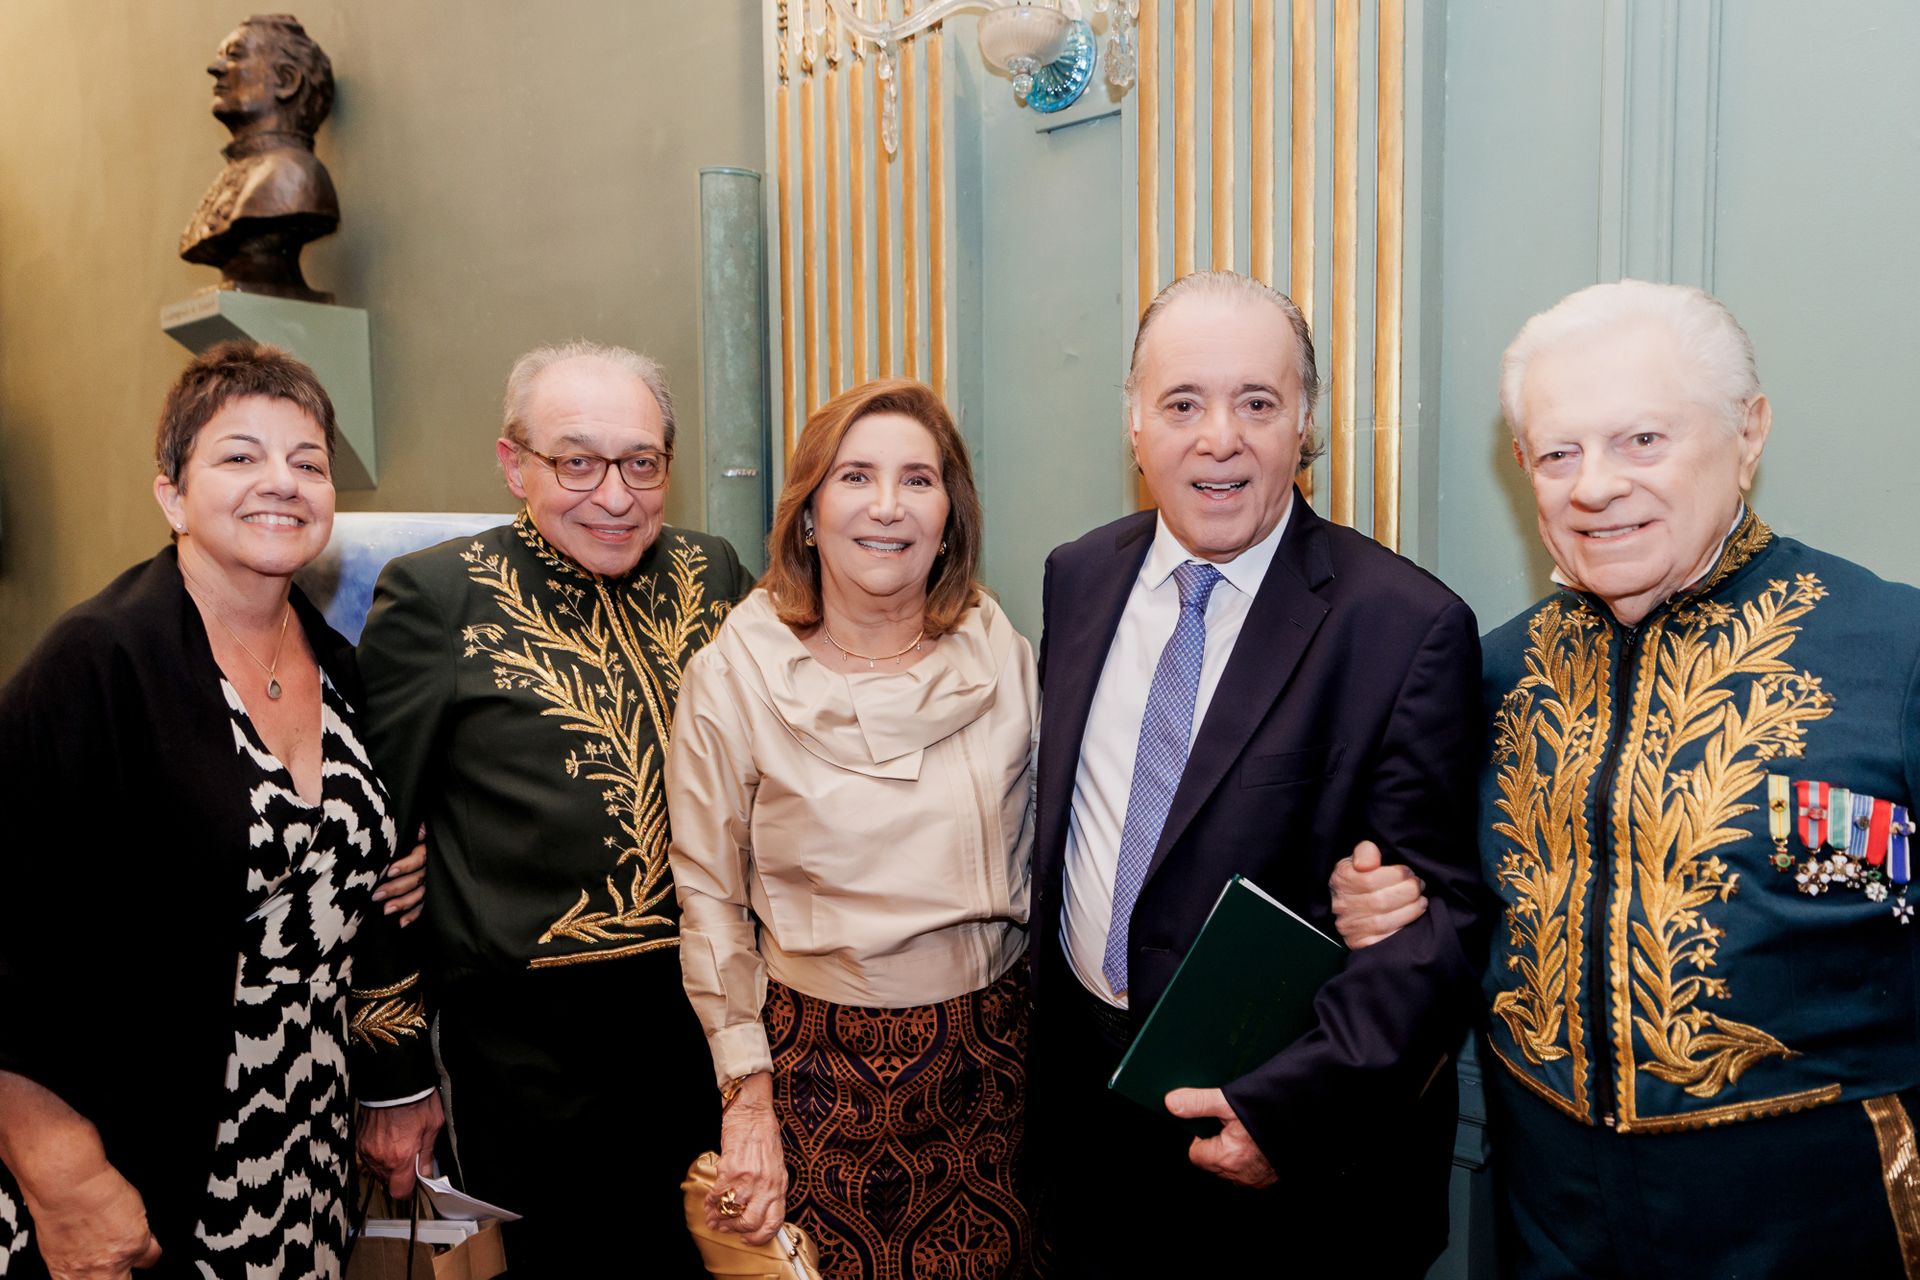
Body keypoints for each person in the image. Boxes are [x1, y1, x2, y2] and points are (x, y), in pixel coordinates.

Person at [1334, 279, 1920, 1276]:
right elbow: (1464, 910)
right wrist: (1389, 909)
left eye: (1641, 440)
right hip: (1545, 1214)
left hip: (1817, 1220)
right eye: (1559, 452)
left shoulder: (1894, 651)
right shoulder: (1489, 672)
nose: (1594, 485)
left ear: (1748, 431)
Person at [1029, 270, 1492, 1276]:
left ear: (1305, 424)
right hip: (1086, 1135)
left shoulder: (1403, 628)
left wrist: (1286, 1114)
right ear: (1136, 423)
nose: (1219, 437)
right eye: (1183, 403)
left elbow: (1435, 935)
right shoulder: (1078, 575)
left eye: (1257, 403)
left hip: (1284, 1177)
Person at [0, 341, 423, 1278]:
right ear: (170, 495)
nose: (282, 481)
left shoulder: (340, 668)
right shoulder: (97, 664)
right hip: (135, 1161)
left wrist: (402, 856)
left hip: (302, 1155)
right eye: (239, 456)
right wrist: (63, 1176)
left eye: (308, 462)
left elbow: (327, 859)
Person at [351, 340, 753, 1274]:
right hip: (531, 1059)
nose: (614, 495)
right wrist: (393, 1074)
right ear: (514, 464)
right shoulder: (436, 595)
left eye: (642, 463)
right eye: (576, 460)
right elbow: (370, 846)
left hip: (709, 1028)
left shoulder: (713, 571)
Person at [666, 378, 1036, 1279]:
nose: (887, 506)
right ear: (807, 512)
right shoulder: (734, 674)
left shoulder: (1003, 651)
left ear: (950, 513)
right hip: (817, 1077)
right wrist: (747, 1101)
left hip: (996, 1069)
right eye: (855, 477)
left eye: (919, 479)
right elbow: (710, 901)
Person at [179, 14, 341, 302]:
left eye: (235, 56)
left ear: (286, 80)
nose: (214, 69)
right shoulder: (240, 173)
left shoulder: (293, 175)